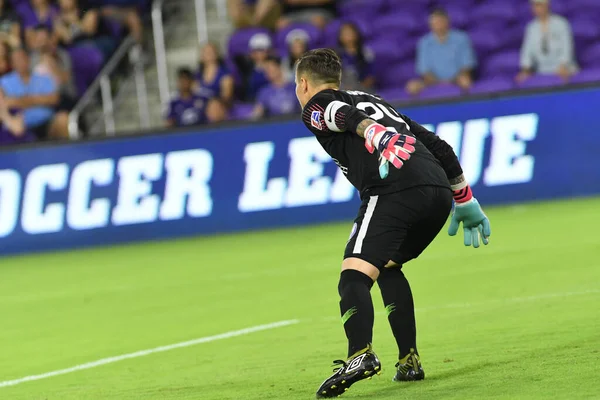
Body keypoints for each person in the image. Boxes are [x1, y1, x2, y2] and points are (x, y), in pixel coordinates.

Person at [295, 49, 491, 398]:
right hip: (436, 191)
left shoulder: (315, 105)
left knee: (353, 275)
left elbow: (332, 112)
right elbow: (439, 145)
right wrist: (464, 198)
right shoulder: (376, 100)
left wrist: (373, 134)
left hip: (392, 187)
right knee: (387, 266)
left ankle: (360, 354)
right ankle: (409, 360)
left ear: (303, 83)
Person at [0, 48, 68, 139]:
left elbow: (54, 99)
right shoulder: (4, 81)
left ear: (28, 59)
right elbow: (6, 103)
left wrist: (20, 101)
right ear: (12, 63)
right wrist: (39, 99)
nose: (21, 62)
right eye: (16, 60)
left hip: (45, 122)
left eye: (22, 58)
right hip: (18, 125)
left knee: (63, 119)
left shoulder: (44, 78)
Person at [406, 8, 476, 95]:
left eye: (440, 21)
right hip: (432, 82)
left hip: (457, 79)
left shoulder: (461, 38)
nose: (437, 25)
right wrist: (439, 82)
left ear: (447, 21)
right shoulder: (424, 42)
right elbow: (424, 71)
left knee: (466, 81)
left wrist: (452, 80)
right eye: (434, 22)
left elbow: (466, 67)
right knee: (412, 86)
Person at [516, 0, 577, 82]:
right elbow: (527, 51)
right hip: (542, 71)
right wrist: (526, 69)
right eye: (534, 6)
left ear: (547, 6)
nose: (536, 9)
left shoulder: (561, 23)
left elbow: (567, 47)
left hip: (563, 68)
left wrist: (563, 66)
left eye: (539, 5)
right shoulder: (531, 27)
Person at [30, 25, 77, 110]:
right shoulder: (32, 59)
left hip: (62, 96)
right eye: (39, 39)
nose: (42, 43)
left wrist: (52, 64)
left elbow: (65, 79)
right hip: (40, 99)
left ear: (50, 39)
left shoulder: (61, 55)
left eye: (44, 39)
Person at [337, 22, 375, 90]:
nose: (348, 36)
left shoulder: (365, 52)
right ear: (340, 37)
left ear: (356, 34)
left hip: (362, 88)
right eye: (345, 34)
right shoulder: (336, 54)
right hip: (343, 88)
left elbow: (371, 74)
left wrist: (362, 86)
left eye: (350, 33)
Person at [195, 42, 234, 107]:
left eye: (211, 51)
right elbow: (193, 95)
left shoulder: (225, 74)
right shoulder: (197, 75)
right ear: (201, 56)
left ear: (217, 54)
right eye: (205, 52)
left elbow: (226, 98)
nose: (208, 54)